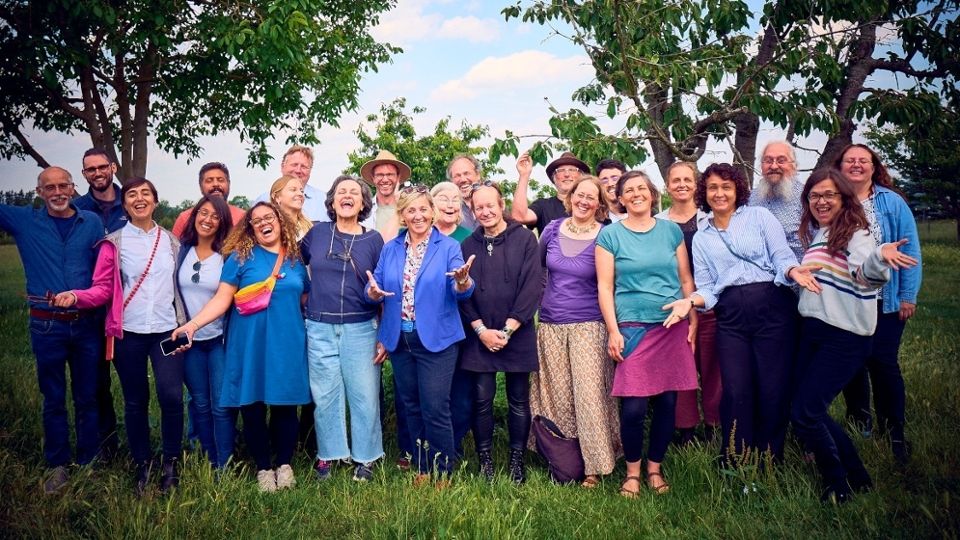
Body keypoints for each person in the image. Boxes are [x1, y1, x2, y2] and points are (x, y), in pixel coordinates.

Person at [790, 168, 917, 503]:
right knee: (804, 408)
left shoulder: (855, 234)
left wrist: (880, 257)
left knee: (805, 414)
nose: (821, 201)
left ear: (844, 198)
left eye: (829, 194)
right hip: (814, 332)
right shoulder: (822, 232)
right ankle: (858, 475)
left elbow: (867, 275)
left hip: (843, 337)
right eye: (814, 195)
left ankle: (838, 484)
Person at [54, 177, 187, 496]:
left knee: (171, 397)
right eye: (132, 195)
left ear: (155, 201)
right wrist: (76, 296)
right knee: (136, 400)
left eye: (146, 194)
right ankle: (143, 464)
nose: (139, 199)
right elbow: (101, 287)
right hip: (128, 333)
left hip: (167, 331)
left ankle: (171, 462)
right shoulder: (114, 243)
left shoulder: (172, 242)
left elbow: (182, 289)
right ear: (124, 204)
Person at [171, 202, 311, 492]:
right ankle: (263, 468)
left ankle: (284, 465)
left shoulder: (296, 260)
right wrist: (193, 325)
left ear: (281, 221)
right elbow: (222, 300)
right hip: (248, 344)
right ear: (250, 228)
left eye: (268, 218)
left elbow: (305, 302)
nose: (263, 224)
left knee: (285, 406)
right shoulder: (239, 258)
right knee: (252, 406)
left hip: (287, 343)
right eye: (256, 221)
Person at [686, 163, 801, 466]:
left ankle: (769, 457)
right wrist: (691, 302)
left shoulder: (760, 216)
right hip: (731, 314)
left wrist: (793, 271)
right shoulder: (702, 237)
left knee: (772, 386)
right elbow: (708, 287)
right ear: (704, 192)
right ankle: (736, 457)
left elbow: (781, 256)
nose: (720, 193)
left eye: (726, 186)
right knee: (735, 387)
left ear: (738, 189)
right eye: (713, 187)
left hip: (772, 305)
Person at [1, 167, 103, 493]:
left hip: (86, 324)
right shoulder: (24, 221)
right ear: (39, 191)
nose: (57, 192)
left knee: (88, 397)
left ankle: (90, 463)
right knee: (53, 398)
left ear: (73, 188)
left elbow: (105, 273)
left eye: (63, 186)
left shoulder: (92, 224)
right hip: (47, 326)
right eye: (50, 187)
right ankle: (58, 465)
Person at [598, 171, 699, 497]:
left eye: (642, 188)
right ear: (621, 198)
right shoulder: (610, 236)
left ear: (652, 194)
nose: (637, 194)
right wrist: (613, 331)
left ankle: (655, 468)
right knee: (635, 407)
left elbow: (685, 280)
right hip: (632, 328)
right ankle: (632, 473)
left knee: (668, 402)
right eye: (629, 190)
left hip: (671, 326)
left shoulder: (671, 232)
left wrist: (692, 314)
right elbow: (605, 286)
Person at [365, 185, 475, 486]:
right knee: (411, 406)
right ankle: (422, 468)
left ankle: (443, 472)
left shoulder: (449, 247)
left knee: (435, 407)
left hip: (437, 340)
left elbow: (460, 288)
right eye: (411, 210)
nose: (418, 215)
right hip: (400, 339)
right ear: (402, 215)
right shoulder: (391, 248)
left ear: (432, 212)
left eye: (423, 209)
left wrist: (463, 281)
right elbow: (375, 287)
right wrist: (371, 292)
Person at [529, 175, 621, 488]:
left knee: (590, 395)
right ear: (571, 197)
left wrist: (613, 328)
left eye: (591, 198)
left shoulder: (606, 234)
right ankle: (566, 461)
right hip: (552, 323)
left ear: (600, 204)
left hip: (590, 324)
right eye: (579, 195)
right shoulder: (553, 229)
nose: (583, 201)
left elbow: (611, 283)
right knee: (558, 398)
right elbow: (539, 270)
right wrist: (539, 306)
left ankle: (595, 466)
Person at [834, 144, 922, 462]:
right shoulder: (834, 200)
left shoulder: (891, 202)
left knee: (883, 365)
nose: (857, 165)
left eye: (863, 161)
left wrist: (907, 296)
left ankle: (894, 434)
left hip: (885, 300)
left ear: (873, 167)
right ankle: (860, 424)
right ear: (840, 167)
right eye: (850, 160)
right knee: (852, 366)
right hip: (846, 299)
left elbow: (909, 251)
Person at [301, 175, 385, 483]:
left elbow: (383, 288)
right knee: (325, 395)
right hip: (319, 326)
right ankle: (330, 454)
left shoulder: (373, 240)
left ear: (363, 203)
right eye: (341, 192)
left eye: (354, 192)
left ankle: (366, 457)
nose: (347, 196)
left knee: (364, 395)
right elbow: (296, 266)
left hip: (361, 327)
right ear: (332, 201)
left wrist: (384, 336)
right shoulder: (316, 233)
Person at [460, 182, 541, 484]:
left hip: (516, 333)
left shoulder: (524, 240)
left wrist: (507, 330)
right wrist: (481, 330)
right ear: (472, 210)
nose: (485, 211)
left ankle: (516, 460)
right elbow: (461, 293)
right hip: (480, 335)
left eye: (489, 205)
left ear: (501, 203)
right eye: (478, 207)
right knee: (482, 399)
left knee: (518, 400)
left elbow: (532, 287)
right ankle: (485, 461)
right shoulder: (467, 245)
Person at [655, 162, 720, 445]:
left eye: (688, 179)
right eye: (675, 180)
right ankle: (686, 428)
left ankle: (714, 424)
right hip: (674, 306)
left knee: (713, 367)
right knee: (681, 369)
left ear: (696, 184)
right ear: (667, 186)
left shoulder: (712, 217)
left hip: (710, 301)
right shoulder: (658, 222)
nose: (682, 184)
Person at [176, 195, 236, 469]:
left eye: (215, 216)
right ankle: (209, 460)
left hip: (219, 341)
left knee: (221, 406)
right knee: (199, 403)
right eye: (203, 213)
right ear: (194, 215)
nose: (207, 220)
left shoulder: (228, 257)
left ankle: (225, 464)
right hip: (189, 344)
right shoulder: (179, 250)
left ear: (222, 223)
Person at [73, 148, 125, 463]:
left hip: (127, 305)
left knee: (133, 380)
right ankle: (105, 445)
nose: (97, 173)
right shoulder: (76, 208)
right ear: (84, 175)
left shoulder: (131, 202)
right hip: (90, 307)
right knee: (95, 382)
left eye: (101, 167)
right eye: (90, 169)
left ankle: (141, 443)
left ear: (112, 167)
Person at [748, 141, 806, 262]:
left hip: (796, 277)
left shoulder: (807, 198)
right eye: (768, 161)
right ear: (762, 166)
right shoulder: (749, 199)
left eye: (781, 160)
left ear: (794, 167)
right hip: (756, 276)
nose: (774, 166)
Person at [512, 151, 590, 236]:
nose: (567, 174)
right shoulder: (543, 206)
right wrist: (524, 175)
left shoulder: (592, 206)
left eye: (572, 170)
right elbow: (519, 217)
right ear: (554, 179)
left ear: (582, 177)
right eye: (561, 170)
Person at [171, 162, 248, 237]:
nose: (215, 184)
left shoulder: (243, 218)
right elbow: (175, 248)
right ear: (201, 188)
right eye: (209, 181)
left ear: (229, 185)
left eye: (220, 180)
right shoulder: (185, 218)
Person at [254, 145, 327, 220]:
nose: (298, 170)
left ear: (310, 170)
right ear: (282, 167)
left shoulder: (324, 201)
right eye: (294, 165)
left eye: (304, 167)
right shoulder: (263, 200)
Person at [359, 150, 411, 233]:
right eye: (380, 175)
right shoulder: (363, 210)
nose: (385, 180)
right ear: (373, 177)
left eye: (390, 174)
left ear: (398, 177)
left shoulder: (408, 209)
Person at [271, 175, 313, 240]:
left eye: (302, 191)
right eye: (293, 190)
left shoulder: (310, 228)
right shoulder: (271, 227)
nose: (300, 194)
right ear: (277, 197)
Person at [446, 155, 482, 230]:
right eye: (457, 176)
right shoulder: (447, 210)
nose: (463, 179)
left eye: (467, 174)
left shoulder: (493, 202)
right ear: (451, 181)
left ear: (478, 175)